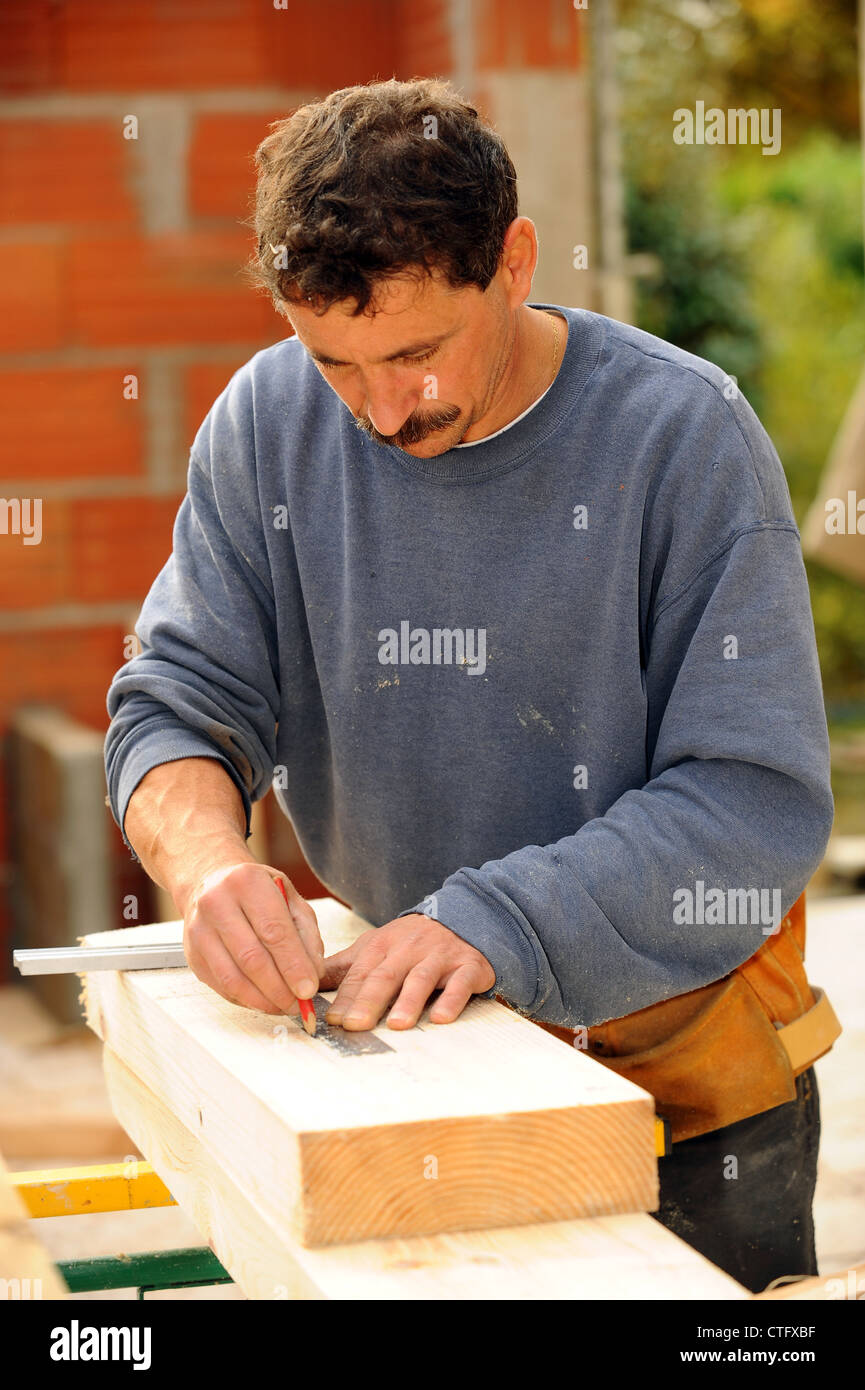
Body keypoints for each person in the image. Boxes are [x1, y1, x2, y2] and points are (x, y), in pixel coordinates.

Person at [105, 77, 840, 1292]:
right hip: (413, 1060)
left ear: (513, 261)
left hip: (681, 1081)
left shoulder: (682, 439)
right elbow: (178, 695)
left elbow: (749, 805)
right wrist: (208, 865)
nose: (385, 411)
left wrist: (493, 922)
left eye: (416, 352)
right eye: (336, 362)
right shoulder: (265, 424)